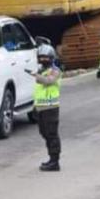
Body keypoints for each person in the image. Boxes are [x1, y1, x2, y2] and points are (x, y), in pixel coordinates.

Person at [28, 44, 62, 172]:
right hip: (41, 107)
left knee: (52, 134)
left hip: (51, 107)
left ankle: (55, 161)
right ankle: (51, 158)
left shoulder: (55, 70)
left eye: (45, 57)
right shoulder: (41, 70)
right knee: (44, 133)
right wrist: (34, 106)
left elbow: (49, 81)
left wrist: (37, 76)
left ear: (51, 58)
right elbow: (38, 91)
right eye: (41, 57)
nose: (43, 60)